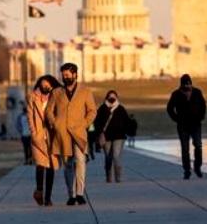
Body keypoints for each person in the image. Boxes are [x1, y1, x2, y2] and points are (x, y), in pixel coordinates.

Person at [46, 63, 97, 206]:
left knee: (80, 162)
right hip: (62, 133)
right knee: (68, 165)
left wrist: (85, 124)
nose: (65, 77)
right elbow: (49, 111)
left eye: (67, 75)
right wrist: (55, 123)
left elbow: (92, 111)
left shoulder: (85, 91)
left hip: (79, 133)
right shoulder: (56, 92)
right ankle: (71, 195)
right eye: (63, 75)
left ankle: (80, 193)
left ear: (75, 74)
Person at [27, 75, 62, 207]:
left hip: (52, 136)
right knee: (41, 165)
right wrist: (34, 133)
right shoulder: (32, 97)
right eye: (43, 84)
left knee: (52, 166)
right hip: (39, 135)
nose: (45, 87)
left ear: (52, 85)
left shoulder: (57, 98)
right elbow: (30, 116)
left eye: (47, 84)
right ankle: (39, 190)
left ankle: (48, 197)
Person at [167, 74, 207, 179]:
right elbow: (170, 108)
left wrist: (201, 117)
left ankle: (197, 167)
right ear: (182, 85)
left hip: (196, 124)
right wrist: (176, 119)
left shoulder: (197, 93)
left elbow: (203, 105)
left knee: (198, 145)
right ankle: (187, 170)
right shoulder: (176, 94)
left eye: (189, 84)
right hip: (183, 125)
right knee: (185, 149)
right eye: (185, 84)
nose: (188, 86)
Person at [94, 90, 130, 183]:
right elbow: (97, 122)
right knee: (108, 157)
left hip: (119, 136)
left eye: (114, 97)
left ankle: (118, 178)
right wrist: (99, 133)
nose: (112, 99)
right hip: (106, 137)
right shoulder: (102, 108)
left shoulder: (121, 108)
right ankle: (108, 177)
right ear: (107, 97)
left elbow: (127, 122)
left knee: (116, 156)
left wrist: (126, 131)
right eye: (110, 97)